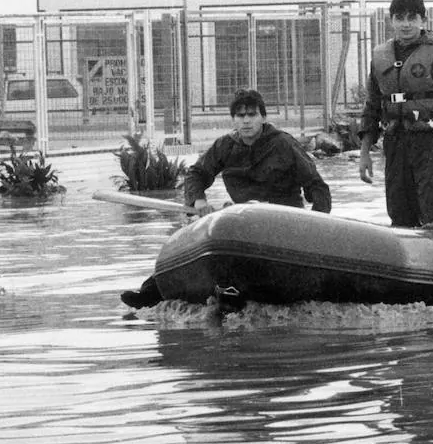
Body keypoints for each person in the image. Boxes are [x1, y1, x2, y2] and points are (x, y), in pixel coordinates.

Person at [120, 89, 332, 308]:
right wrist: (199, 200)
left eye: (252, 115)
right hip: (245, 221)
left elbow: (317, 187)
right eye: (240, 116)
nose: (246, 121)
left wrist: (314, 227)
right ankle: (150, 292)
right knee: (198, 246)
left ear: (263, 117)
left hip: (284, 222)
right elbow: (196, 174)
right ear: (233, 119)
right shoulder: (225, 145)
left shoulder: (283, 144)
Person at [357, 0, 433, 227]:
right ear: (392, 21)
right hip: (396, 143)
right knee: (399, 211)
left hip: (431, 142)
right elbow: (372, 107)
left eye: (412, 17)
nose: (406, 24)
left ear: (423, 20)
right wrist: (364, 152)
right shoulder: (380, 57)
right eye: (400, 18)